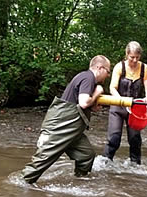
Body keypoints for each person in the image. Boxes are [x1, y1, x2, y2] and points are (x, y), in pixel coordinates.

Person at [22, 55, 111, 184]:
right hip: (61, 126)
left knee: (86, 155)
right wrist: (98, 92)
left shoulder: (85, 78)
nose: (108, 75)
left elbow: (78, 104)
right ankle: (20, 185)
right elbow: (84, 102)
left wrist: (93, 107)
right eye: (107, 71)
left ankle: (80, 182)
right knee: (43, 160)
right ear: (100, 67)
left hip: (73, 129)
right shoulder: (88, 77)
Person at [102, 41, 147, 165]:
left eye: (137, 57)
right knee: (114, 138)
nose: (135, 60)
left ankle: (135, 165)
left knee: (135, 139)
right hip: (118, 106)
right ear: (127, 55)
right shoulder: (119, 67)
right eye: (132, 57)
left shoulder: (144, 68)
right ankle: (105, 162)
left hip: (135, 107)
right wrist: (121, 100)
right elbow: (112, 88)